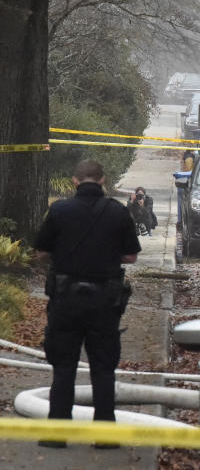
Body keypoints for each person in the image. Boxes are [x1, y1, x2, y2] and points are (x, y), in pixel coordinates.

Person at [33, 160, 140, 448]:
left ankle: (56, 433)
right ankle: (105, 436)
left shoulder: (59, 211)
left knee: (64, 366)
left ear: (74, 181)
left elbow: (41, 251)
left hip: (65, 299)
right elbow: (131, 257)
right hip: (105, 300)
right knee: (103, 368)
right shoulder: (118, 212)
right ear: (103, 180)